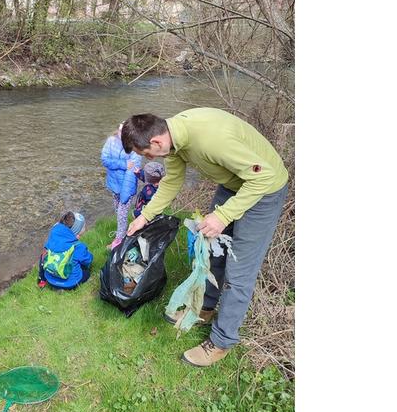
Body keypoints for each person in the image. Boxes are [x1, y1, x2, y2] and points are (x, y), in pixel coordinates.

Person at [122, 108, 289, 368]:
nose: (146, 160)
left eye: (145, 154)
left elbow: (263, 176)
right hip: (235, 183)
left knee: (239, 271)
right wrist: (145, 216)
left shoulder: (211, 139)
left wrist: (223, 216)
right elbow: (171, 182)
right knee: (211, 252)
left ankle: (221, 342)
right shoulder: (173, 142)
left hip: (263, 190)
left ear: (156, 142)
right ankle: (204, 308)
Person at [101, 124, 142, 250]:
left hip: (126, 187)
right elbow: (104, 160)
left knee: (122, 214)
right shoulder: (111, 141)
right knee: (118, 211)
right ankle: (122, 233)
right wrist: (123, 164)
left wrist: (126, 194)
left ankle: (119, 241)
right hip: (114, 184)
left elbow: (132, 172)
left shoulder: (136, 147)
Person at [37, 211, 93, 291]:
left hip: (50, 279)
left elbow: (43, 256)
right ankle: (64, 287)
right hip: (71, 283)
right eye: (81, 232)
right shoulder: (78, 246)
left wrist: (42, 276)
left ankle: (42, 281)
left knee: (44, 254)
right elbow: (88, 260)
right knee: (86, 272)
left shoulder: (53, 237)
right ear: (77, 234)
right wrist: (89, 255)